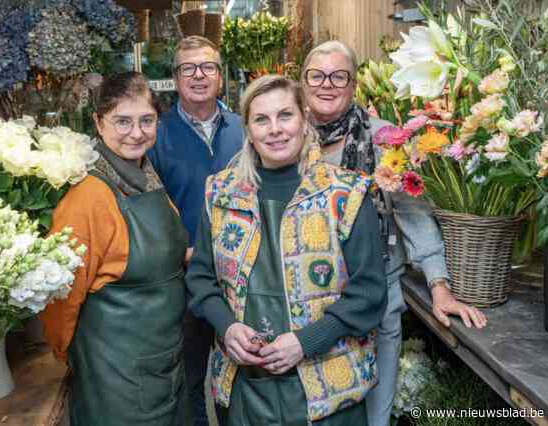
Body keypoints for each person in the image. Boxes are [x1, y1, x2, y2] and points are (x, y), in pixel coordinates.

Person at [301, 40, 488, 426]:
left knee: (375, 414)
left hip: (378, 291)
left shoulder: (383, 136)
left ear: (354, 85)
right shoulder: (287, 136)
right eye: (316, 75)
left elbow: (413, 214)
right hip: (310, 298)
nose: (327, 85)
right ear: (302, 82)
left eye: (339, 76)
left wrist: (439, 285)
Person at [186, 74, 388, 425]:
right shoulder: (220, 194)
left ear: (304, 120)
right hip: (244, 392)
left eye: (285, 115)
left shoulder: (346, 194)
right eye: (261, 119)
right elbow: (201, 277)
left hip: (328, 392)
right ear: (248, 129)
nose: (275, 129)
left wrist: (305, 341)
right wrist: (226, 326)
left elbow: (369, 293)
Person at [40, 72, 188, 426]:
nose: (136, 133)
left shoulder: (146, 177)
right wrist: (70, 355)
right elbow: (61, 298)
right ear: (98, 122)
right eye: (122, 121)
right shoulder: (89, 195)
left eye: (146, 121)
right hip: (114, 378)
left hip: (164, 363)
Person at [147, 35, 244, 426]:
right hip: (184, 280)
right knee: (189, 380)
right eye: (188, 68)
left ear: (220, 75)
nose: (199, 75)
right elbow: (151, 210)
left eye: (208, 67)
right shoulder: (156, 133)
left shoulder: (245, 128)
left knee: (240, 375)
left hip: (242, 280)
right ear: (175, 78)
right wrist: (181, 251)